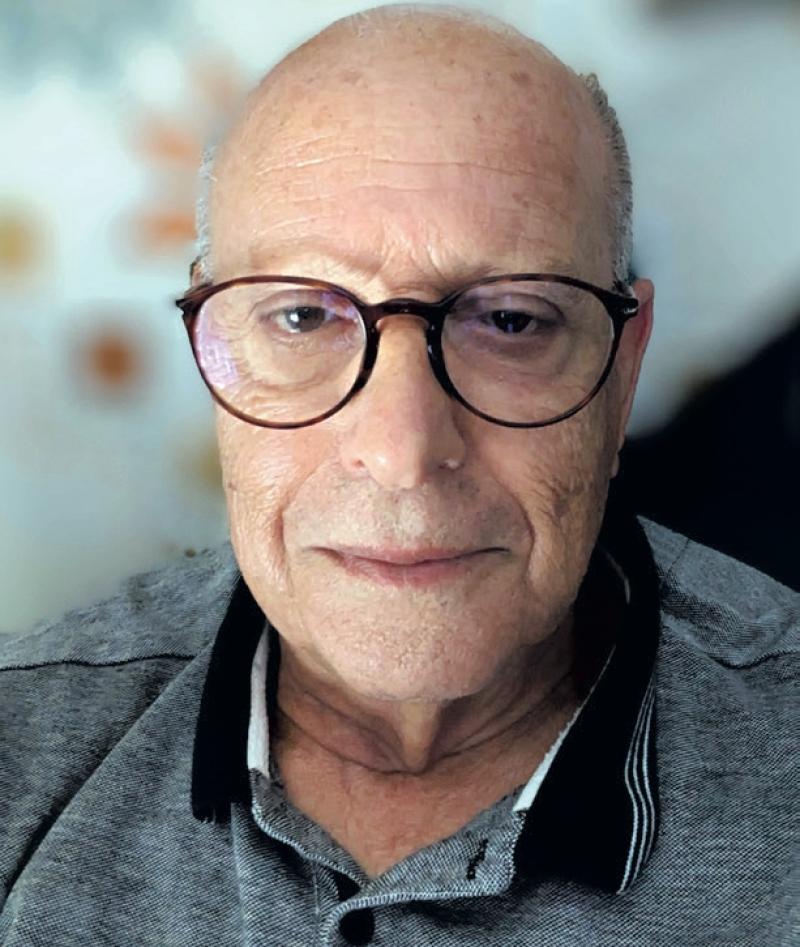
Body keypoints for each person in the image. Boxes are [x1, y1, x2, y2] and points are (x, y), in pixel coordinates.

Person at [1, 6, 796, 945]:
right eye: (303, 318)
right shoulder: (24, 741)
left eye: (510, 319)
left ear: (622, 370)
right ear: (214, 351)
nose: (403, 452)